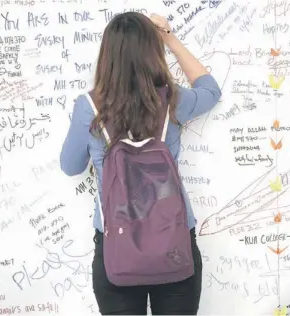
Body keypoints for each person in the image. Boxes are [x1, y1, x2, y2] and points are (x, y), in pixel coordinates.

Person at [60, 12, 222, 315]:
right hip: (174, 238)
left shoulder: (89, 107)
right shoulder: (173, 100)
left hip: (115, 244)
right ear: (153, 51)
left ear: (107, 54)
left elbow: (70, 166)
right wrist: (170, 37)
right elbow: (211, 90)